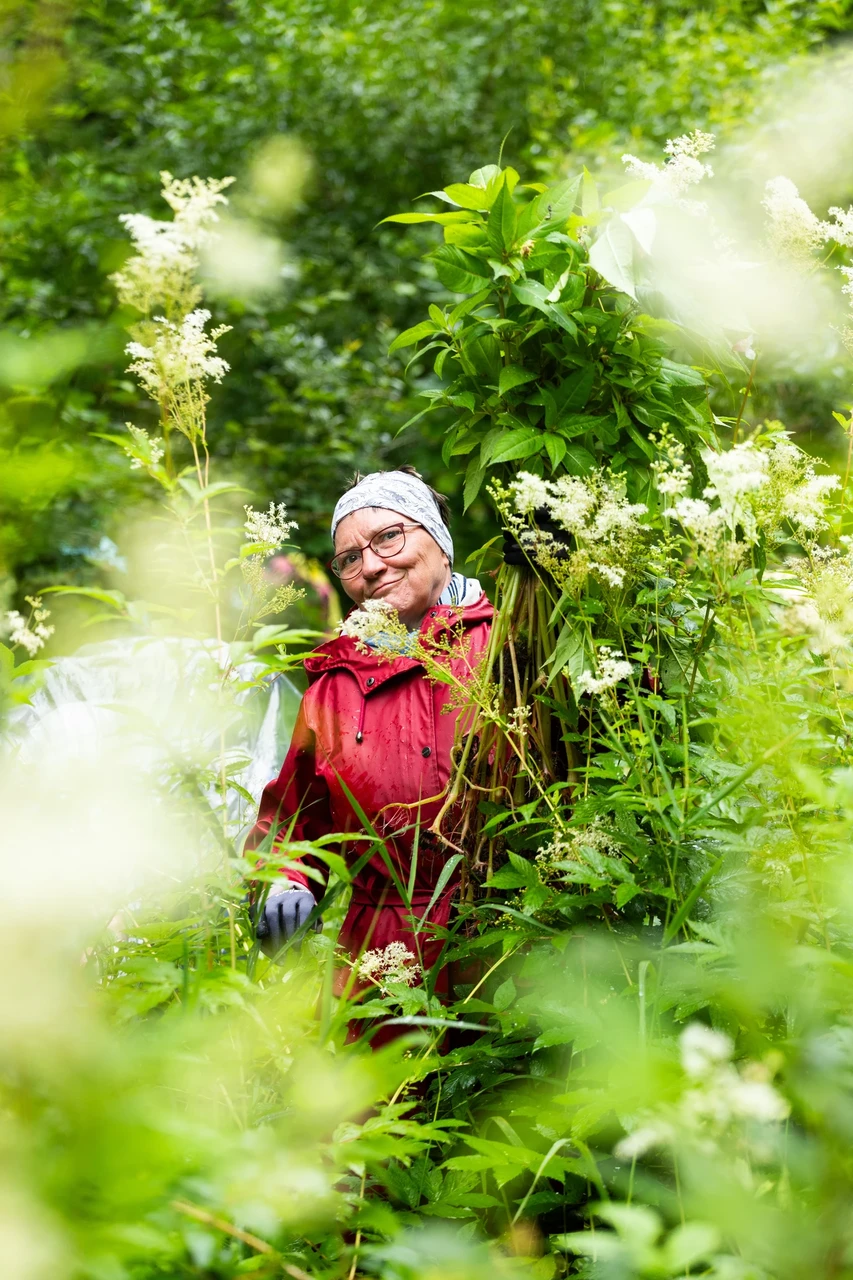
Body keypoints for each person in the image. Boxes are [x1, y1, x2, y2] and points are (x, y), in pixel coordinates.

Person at [246, 466, 492, 1002]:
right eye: (350, 558)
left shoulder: (508, 645)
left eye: (388, 537)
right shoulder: (333, 686)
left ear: (441, 543)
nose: (373, 566)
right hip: (378, 964)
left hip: (504, 941)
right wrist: (284, 883)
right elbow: (295, 818)